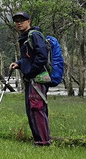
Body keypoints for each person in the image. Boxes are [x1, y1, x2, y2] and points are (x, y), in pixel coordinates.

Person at [9, 11, 52, 146]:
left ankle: (43, 142)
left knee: (36, 108)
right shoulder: (26, 38)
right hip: (32, 78)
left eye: (22, 20)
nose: (19, 23)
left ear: (29, 21)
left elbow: (42, 56)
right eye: (17, 21)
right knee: (33, 110)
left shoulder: (35, 35)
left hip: (37, 79)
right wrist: (19, 64)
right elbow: (29, 58)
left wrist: (31, 72)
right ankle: (39, 139)